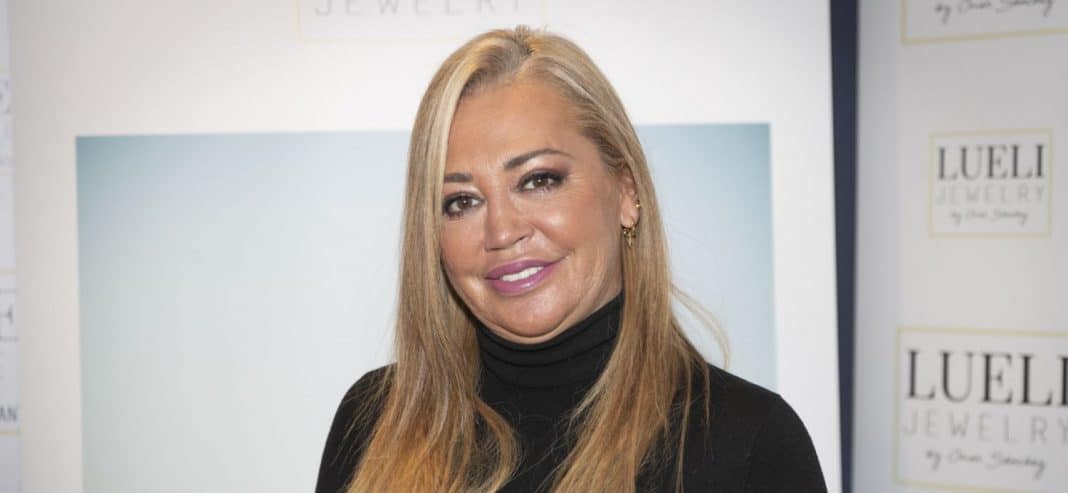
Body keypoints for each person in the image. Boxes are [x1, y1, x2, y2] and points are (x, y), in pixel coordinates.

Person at [316, 26, 826, 493]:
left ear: (626, 191)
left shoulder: (751, 443)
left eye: (539, 180)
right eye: (461, 202)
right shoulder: (376, 423)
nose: (502, 231)